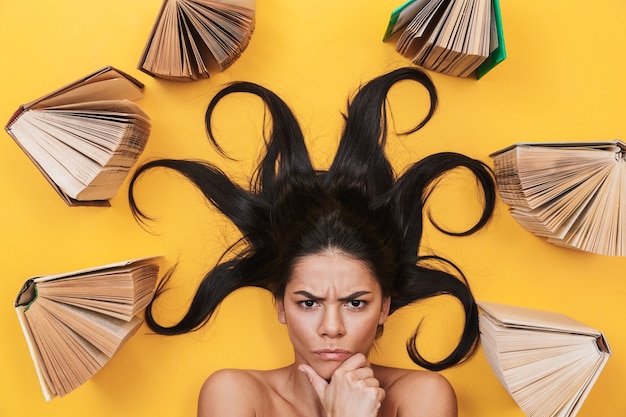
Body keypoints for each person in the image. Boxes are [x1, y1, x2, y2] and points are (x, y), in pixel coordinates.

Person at [128, 67, 496, 416]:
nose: (331, 327)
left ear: (384, 307)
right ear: (281, 306)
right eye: (308, 302)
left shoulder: (421, 397)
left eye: (355, 302)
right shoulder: (235, 395)